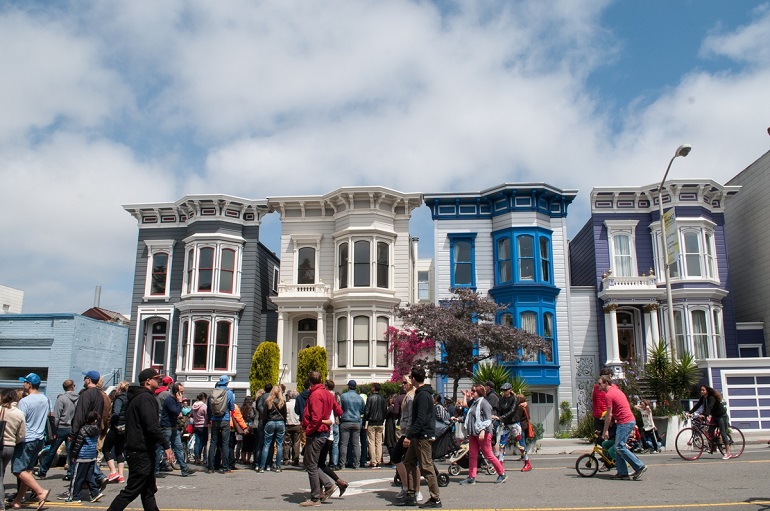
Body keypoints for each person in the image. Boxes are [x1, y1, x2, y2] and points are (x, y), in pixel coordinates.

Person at [105, 368, 173, 511]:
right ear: (148, 381)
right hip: (140, 452)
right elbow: (151, 426)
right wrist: (166, 445)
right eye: (157, 378)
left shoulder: (140, 397)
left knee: (148, 491)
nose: (159, 380)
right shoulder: (145, 398)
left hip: (141, 450)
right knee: (131, 491)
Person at [398, 366, 441, 509]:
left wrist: (409, 435)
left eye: (410, 378)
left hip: (423, 435)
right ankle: (411, 493)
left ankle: (435, 498)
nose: (410, 380)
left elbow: (421, 418)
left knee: (426, 466)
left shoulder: (422, 395)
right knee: (408, 461)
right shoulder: (421, 393)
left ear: (414, 379)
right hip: (418, 435)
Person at [300, 371, 343, 507]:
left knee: (311, 464)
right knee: (313, 463)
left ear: (310, 382)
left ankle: (316, 496)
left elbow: (316, 417)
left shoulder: (315, 394)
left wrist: (308, 430)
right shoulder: (328, 394)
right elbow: (339, 411)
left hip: (317, 433)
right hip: (324, 433)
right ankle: (327, 486)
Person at [9, 373, 51, 511]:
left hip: (26, 439)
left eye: (25, 382)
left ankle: (40, 491)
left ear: (29, 384)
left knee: (17, 470)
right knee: (28, 471)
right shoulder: (45, 399)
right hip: (39, 438)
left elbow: (19, 420)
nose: (23, 384)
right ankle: (18, 501)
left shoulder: (25, 401)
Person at [599, 374, 647, 480]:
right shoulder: (615, 390)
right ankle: (622, 472)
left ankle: (639, 466)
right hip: (626, 421)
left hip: (625, 421)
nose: (598, 386)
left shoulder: (609, 395)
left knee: (620, 446)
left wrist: (605, 430)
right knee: (617, 447)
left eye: (600, 383)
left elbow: (609, 414)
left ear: (606, 383)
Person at [458, 384, 507, 486]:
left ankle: (502, 473)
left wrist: (483, 430)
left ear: (479, 392)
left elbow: (488, 419)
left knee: (488, 454)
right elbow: (470, 416)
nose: (471, 392)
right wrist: (458, 419)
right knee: (473, 455)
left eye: (474, 391)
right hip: (473, 433)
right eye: (472, 390)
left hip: (482, 433)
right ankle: (472, 477)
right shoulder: (474, 403)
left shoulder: (484, 403)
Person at [36, 379, 78, 480]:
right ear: (73, 386)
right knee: (70, 451)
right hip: (71, 428)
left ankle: (42, 471)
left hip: (61, 428)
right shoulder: (78, 399)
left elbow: (56, 416)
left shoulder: (61, 399)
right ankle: (70, 473)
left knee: (52, 450)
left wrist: (54, 430)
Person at [316, 380, 348, 497]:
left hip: (323, 433)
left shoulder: (324, 399)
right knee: (320, 464)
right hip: (329, 434)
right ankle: (337, 483)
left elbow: (330, 418)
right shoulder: (333, 397)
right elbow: (339, 411)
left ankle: (326, 487)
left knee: (315, 464)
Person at [66, 411, 104, 503]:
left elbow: (78, 444)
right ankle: (95, 492)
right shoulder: (96, 429)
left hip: (82, 456)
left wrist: (73, 455)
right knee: (89, 476)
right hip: (91, 455)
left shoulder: (83, 430)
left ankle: (75, 496)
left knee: (77, 477)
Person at [688, 385, 733, 459]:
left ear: (707, 391)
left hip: (721, 416)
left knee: (723, 433)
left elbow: (710, 407)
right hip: (715, 416)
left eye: (703, 390)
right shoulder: (703, 398)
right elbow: (697, 405)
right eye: (701, 390)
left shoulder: (712, 397)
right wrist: (690, 412)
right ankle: (714, 447)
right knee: (710, 431)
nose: (702, 391)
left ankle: (728, 453)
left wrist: (704, 415)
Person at [160, 383, 195, 476]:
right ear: (176, 392)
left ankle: (184, 469)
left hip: (174, 427)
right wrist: (179, 403)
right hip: (166, 427)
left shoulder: (175, 401)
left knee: (178, 447)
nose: (182, 394)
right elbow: (176, 411)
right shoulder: (169, 400)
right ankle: (155, 469)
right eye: (181, 392)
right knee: (161, 448)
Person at [1, 389, 26, 511]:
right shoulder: (19, 413)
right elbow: (21, 435)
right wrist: (13, 441)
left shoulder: (1, 410)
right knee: (2, 472)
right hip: (10, 446)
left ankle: (0, 505)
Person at [206, 375, 235, 474]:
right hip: (225, 419)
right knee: (225, 443)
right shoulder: (229, 393)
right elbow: (232, 408)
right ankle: (225, 467)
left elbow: (209, 407)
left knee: (213, 442)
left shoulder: (213, 392)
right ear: (227, 382)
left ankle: (211, 467)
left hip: (214, 419)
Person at [104, 381, 129, 483]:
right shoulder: (129, 399)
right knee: (120, 451)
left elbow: (116, 413)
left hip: (116, 427)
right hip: (125, 428)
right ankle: (121, 475)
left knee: (106, 448)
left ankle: (113, 471)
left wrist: (110, 423)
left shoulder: (119, 399)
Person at [258, 386, 286, 472]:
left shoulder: (268, 401)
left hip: (270, 422)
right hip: (280, 422)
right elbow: (285, 415)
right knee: (279, 445)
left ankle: (262, 466)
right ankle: (278, 466)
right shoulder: (282, 402)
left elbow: (265, 414)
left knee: (266, 444)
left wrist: (264, 423)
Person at [338, 380, 365, 469]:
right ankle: (357, 464)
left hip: (345, 421)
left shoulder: (343, 396)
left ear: (348, 386)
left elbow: (340, 409)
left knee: (344, 444)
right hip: (356, 421)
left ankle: (342, 464)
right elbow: (362, 410)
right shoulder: (359, 398)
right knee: (356, 444)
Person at [364, 382, 387, 469]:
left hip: (372, 422)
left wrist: (365, 421)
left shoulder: (370, 398)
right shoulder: (383, 399)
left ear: (374, 388)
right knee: (379, 442)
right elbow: (385, 411)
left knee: (371, 442)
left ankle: (373, 461)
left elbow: (367, 411)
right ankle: (378, 460)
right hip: (380, 422)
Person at [493, 382, 517, 463]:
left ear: (510, 390)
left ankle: (527, 461)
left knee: (519, 444)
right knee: (502, 444)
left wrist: (501, 417)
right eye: (503, 390)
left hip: (514, 423)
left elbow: (512, 411)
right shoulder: (502, 399)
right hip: (505, 424)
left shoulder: (514, 398)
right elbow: (499, 410)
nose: (504, 391)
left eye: (506, 390)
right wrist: (497, 416)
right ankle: (500, 462)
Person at [513, 393, 533, 472]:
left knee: (521, 442)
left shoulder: (520, 407)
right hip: (525, 425)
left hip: (521, 426)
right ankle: (524, 456)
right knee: (523, 441)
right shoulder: (526, 406)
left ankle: (525, 456)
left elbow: (517, 417)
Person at [592, 367, 614, 432]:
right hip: (607, 415)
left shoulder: (595, 387)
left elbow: (593, 400)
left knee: (599, 436)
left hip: (599, 414)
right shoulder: (613, 388)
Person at [284, 390, 302, 466]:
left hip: (288, 424)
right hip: (297, 424)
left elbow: (284, 414)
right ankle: (296, 459)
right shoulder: (298, 403)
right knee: (296, 442)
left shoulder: (286, 404)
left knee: (286, 442)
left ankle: (286, 459)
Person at [190, 393, 208, 465]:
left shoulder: (193, 406)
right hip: (204, 425)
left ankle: (197, 457)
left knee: (197, 442)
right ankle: (204, 459)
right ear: (204, 398)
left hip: (196, 425)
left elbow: (191, 415)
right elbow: (206, 416)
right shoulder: (204, 406)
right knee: (204, 443)